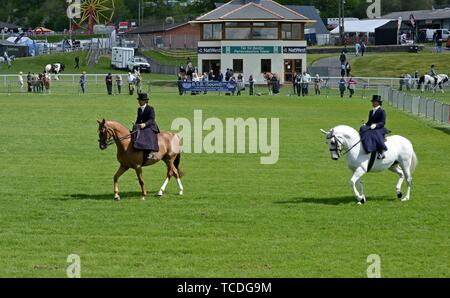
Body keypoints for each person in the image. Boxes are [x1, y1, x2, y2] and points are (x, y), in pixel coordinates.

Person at [359, 95, 391, 160]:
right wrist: (365, 124)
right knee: (362, 129)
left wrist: (376, 125)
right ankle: (365, 147)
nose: (372, 103)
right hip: (371, 126)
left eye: (374, 102)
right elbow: (369, 122)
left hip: (379, 128)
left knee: (374, 134)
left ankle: (381, 152)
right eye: (372, 102)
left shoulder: (382, 111)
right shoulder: (371, 111)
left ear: (378, 103)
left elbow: (383, 122)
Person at [134, 93, 160, 161]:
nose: (139, 102)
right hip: (142, 126)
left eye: (141, 100)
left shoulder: (150, 108)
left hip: (150, 126)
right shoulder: (139, 109)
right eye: (139, 100)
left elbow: (152, 119)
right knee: (134, 130)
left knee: (147, 133)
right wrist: (136, 124)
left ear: (145, 101)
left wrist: (145, 124)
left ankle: (151, 152)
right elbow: (138, 119)